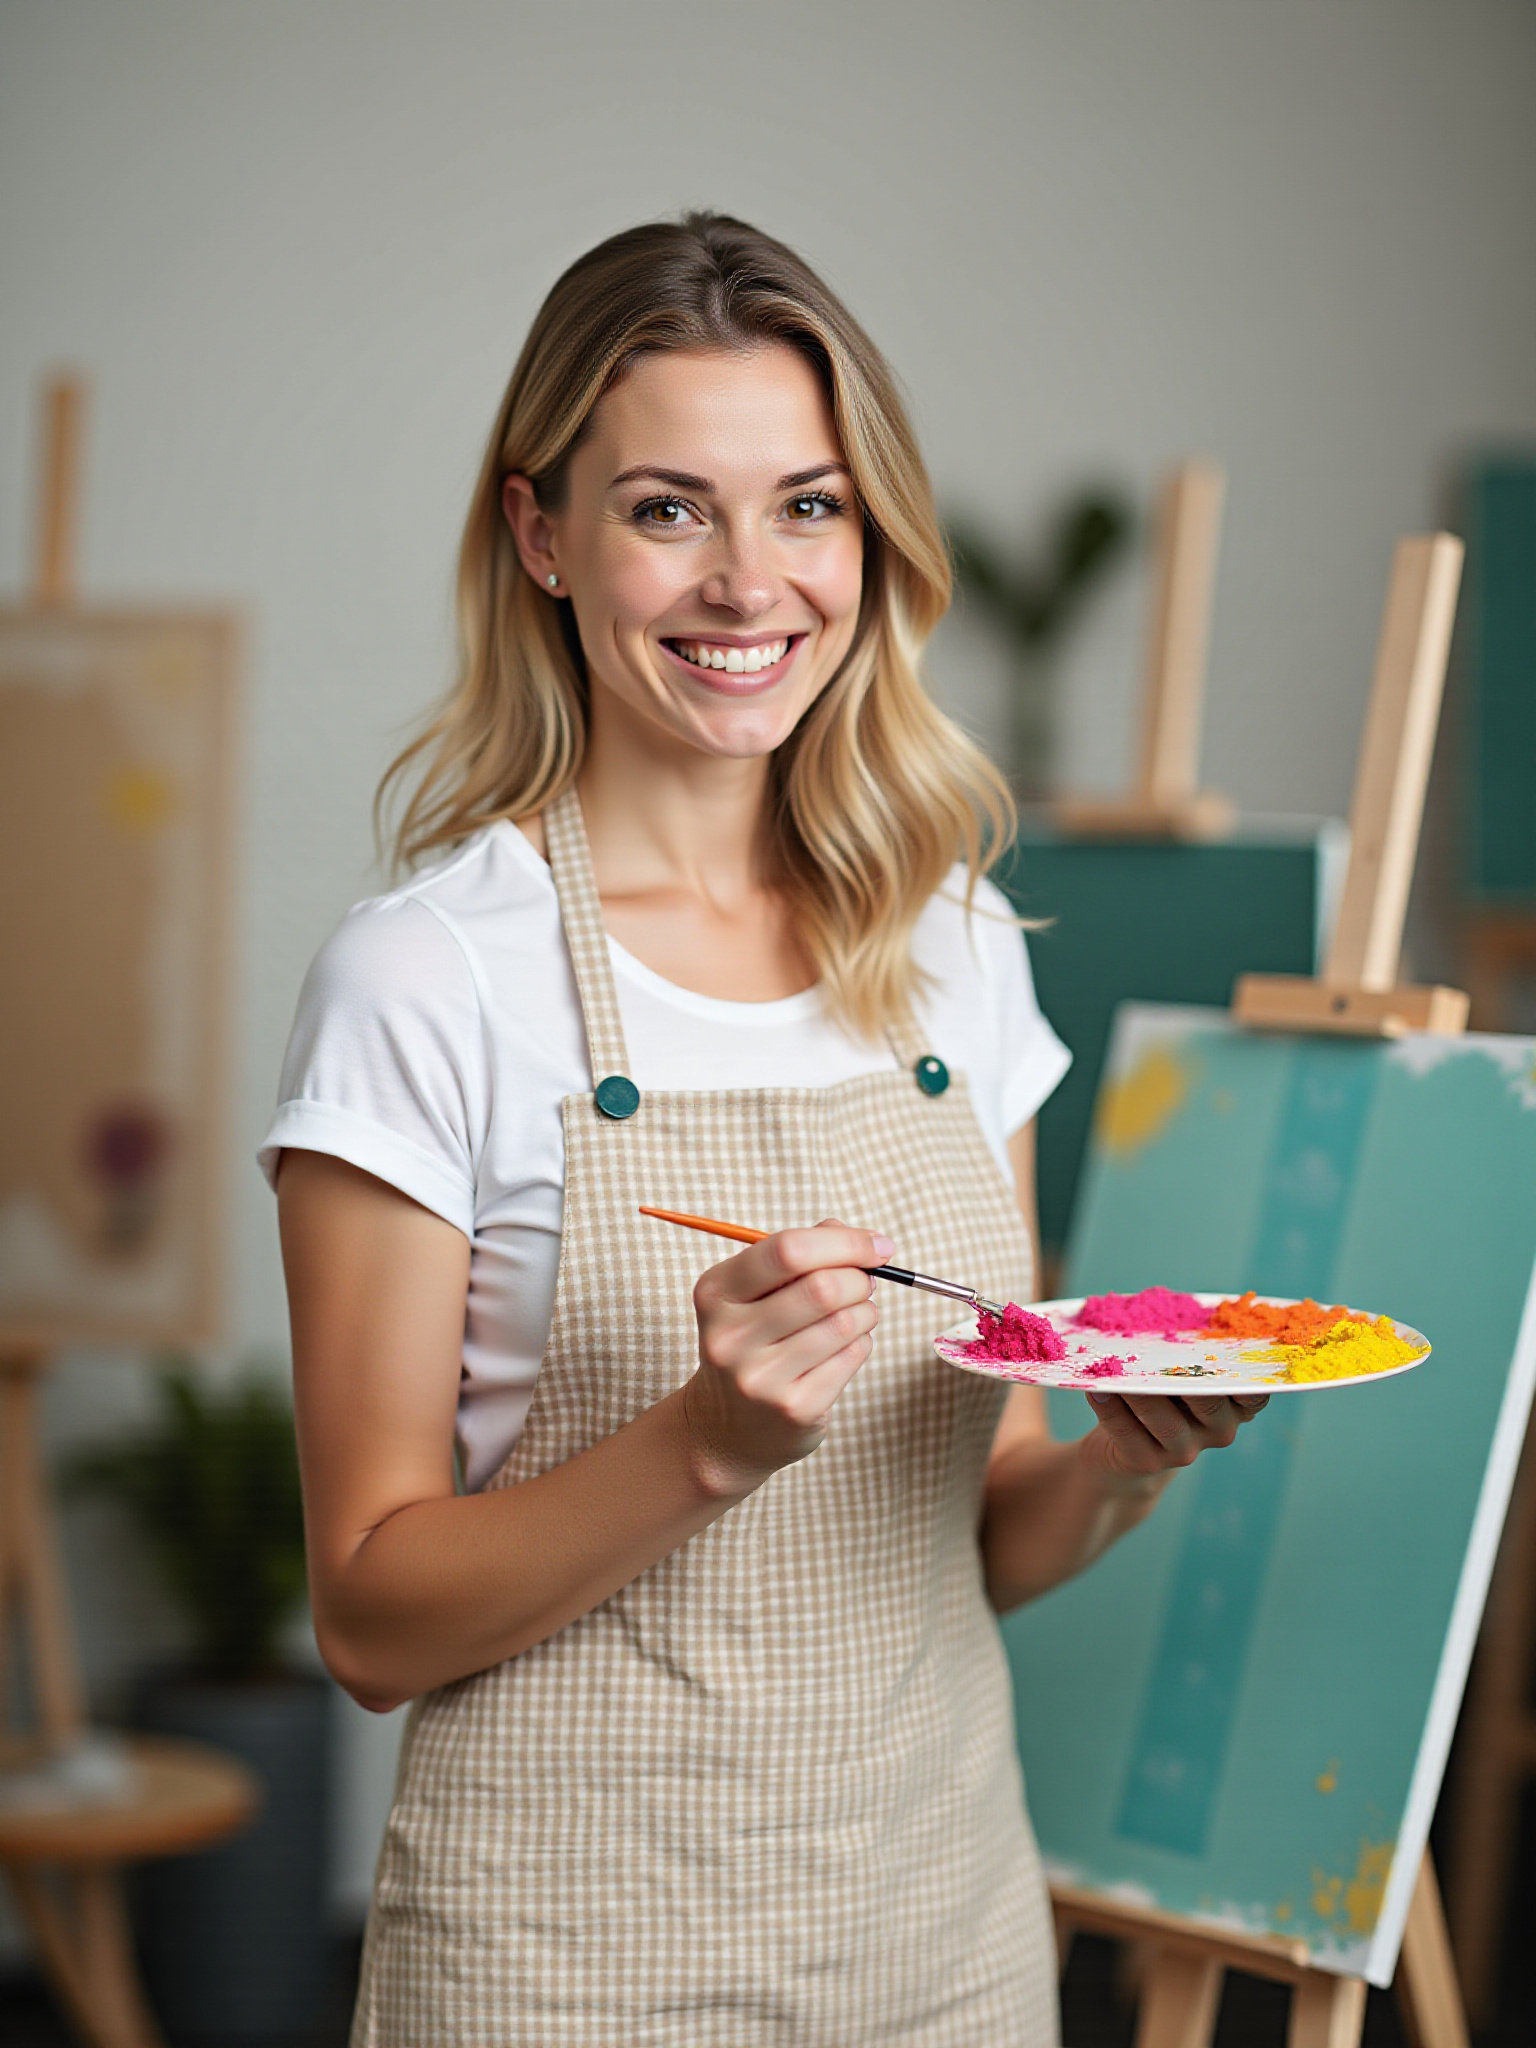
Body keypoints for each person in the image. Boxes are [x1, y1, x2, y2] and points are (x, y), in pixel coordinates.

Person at [261, 212, 1268, 2046]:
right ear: (541, 535)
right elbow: (370, 1622)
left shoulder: (954, 949)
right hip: (564, 1968)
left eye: (807, 505)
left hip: (940, 1941)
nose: (750, 583)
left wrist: (1124, 1455)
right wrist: (708, 1440)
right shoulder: (426, 979)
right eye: (668, 509)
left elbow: (977, 1531)